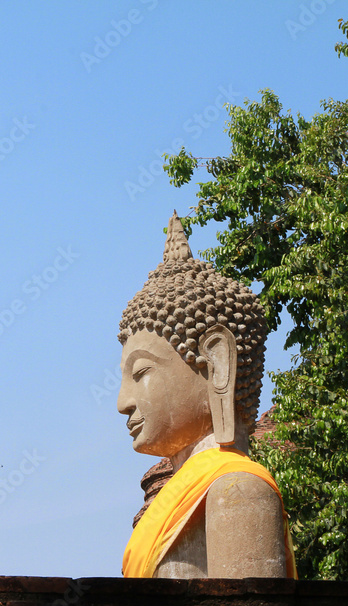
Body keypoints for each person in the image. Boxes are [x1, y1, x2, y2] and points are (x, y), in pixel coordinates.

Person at [118, 213, 295, 578]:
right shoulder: (177, 499)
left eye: (140, 373)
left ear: (216, 364)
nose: (124, 402)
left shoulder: (238, 491)